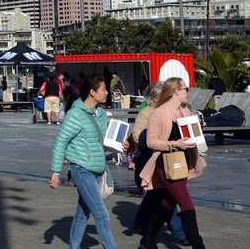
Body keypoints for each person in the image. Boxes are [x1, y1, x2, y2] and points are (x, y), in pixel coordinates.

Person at [49, 74, 121, 249]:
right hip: (82, 169)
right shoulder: (75, 114)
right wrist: (56, 171)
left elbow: (103, 140)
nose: (106, 92)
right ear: (92, 92)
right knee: (102, 215)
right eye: (103, 89)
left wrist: (120, 145)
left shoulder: (102, 113)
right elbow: (60, 141)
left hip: (98, 169)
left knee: (83, 213)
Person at [138, 77, 207, 249]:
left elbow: (193, 134)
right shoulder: (159, 113)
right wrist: (174, 144)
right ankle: (198, 245)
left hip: (182, 161)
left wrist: (196, 128)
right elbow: (151, 142)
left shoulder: (185, 111)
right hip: (165, 162)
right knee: (186, 204)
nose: (188, 92)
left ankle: (147, 239)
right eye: (186, 89)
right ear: (176, 91)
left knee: (168, 202)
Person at [131, 82, 187, 244]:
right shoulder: (147, 113)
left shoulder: (173, 110)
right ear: (156, 98)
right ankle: (179, 234)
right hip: (150, 159)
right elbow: (137, 135)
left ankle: (141, 224)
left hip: (169, 157)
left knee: (154, 195)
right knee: (167, 195)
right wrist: (155, 134)